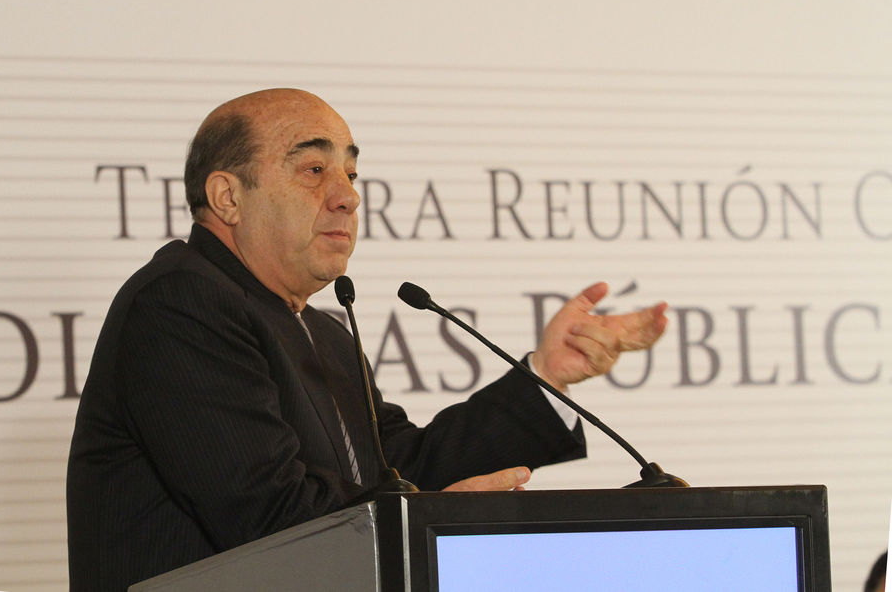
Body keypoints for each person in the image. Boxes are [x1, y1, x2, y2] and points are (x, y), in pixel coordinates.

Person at [66, 88, 668, 590]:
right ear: (228, 197)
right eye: (313, 170)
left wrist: (547, 375)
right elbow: (270, 516)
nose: (348, 196)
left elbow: (404, 469)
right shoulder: (180, 302)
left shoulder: (322, 331)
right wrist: (432, 517)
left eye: (351, 174)